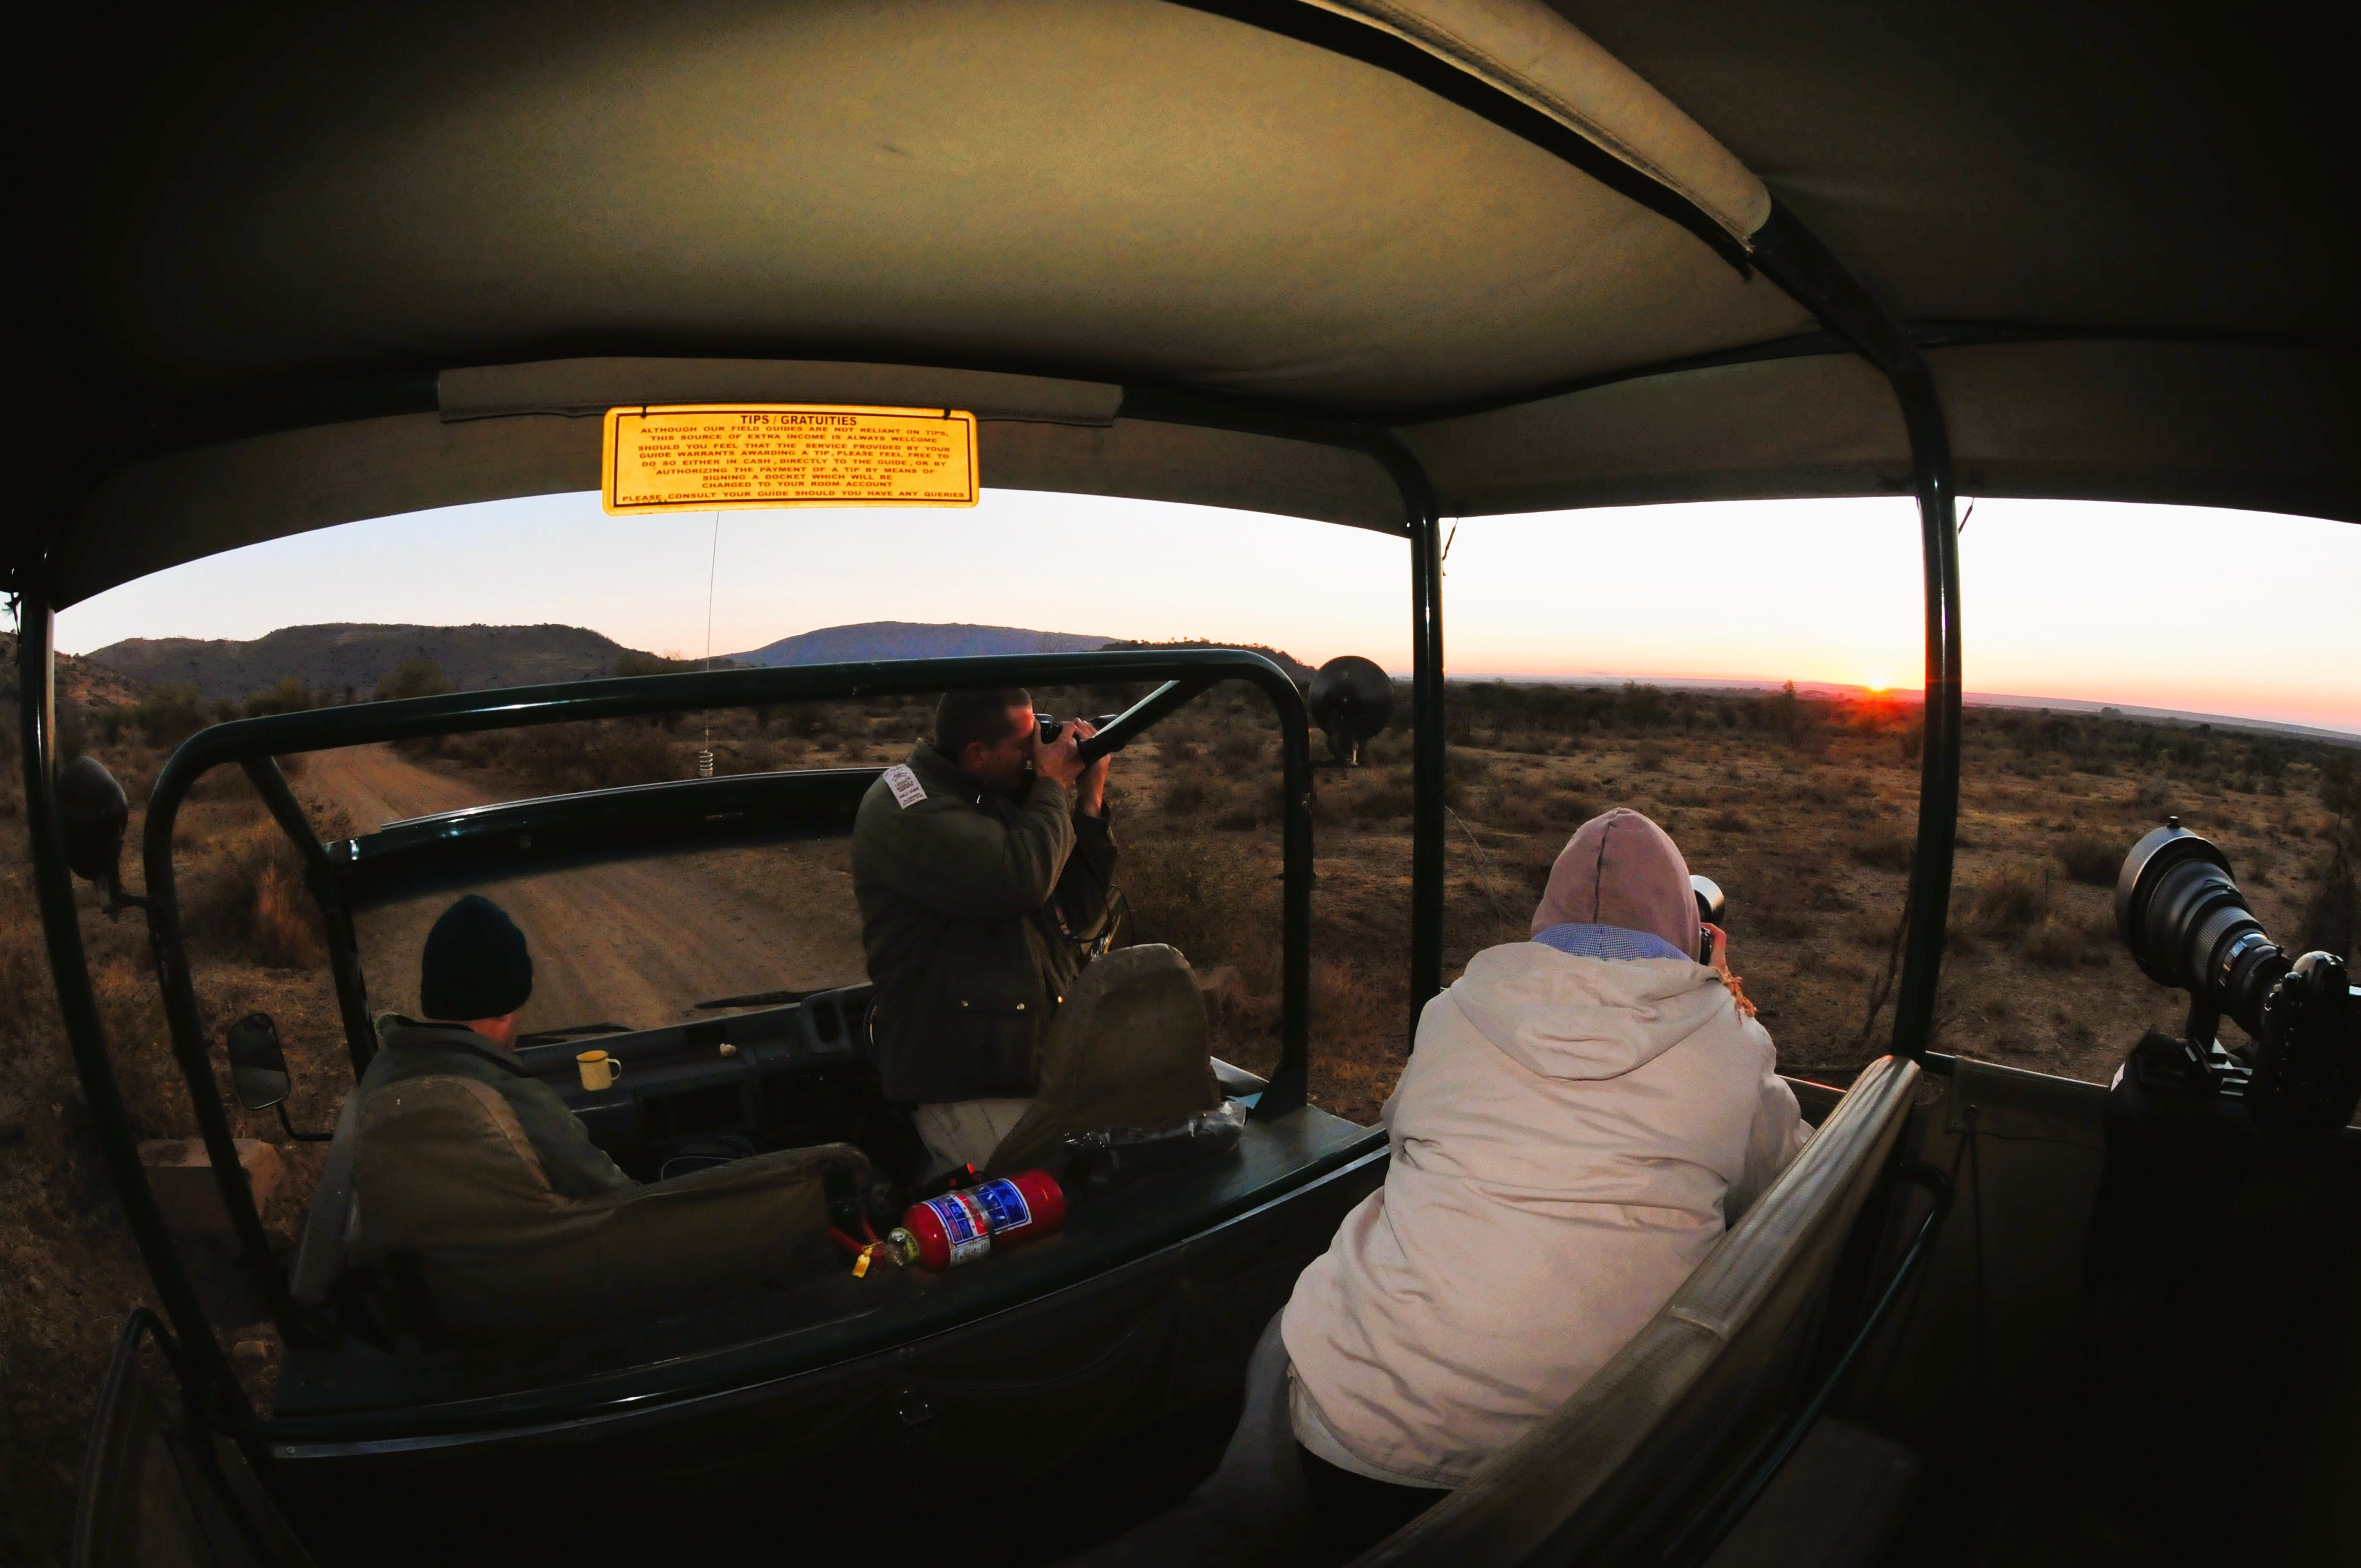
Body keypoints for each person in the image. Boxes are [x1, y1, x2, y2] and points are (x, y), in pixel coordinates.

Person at [1277, 808, 1806, 1545]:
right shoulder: (1730, 1046)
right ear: (1692, 936)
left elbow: (1403, 1130)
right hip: (1582, 1477)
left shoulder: (1453, 1012)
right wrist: (1718, 989)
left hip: (1357, 1442)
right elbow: (1784, 1182)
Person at [349, 895, 874, 1336]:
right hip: (582, 1300)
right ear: (507, 1007)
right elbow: (622, 1208)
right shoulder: (510, 1100)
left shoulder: (380, 1085)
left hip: (463, 1311)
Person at [851, 687, 1118, 1174]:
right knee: (1038, 1202)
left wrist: (1089, 800)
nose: (1034, 755)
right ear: (976, 754)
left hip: (1031, 1059)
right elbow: (1022, 879)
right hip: (962, 1081)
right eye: (1024, 746)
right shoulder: (908, 808)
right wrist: (1051, 786)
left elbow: (1082, 914)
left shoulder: (990, 793)